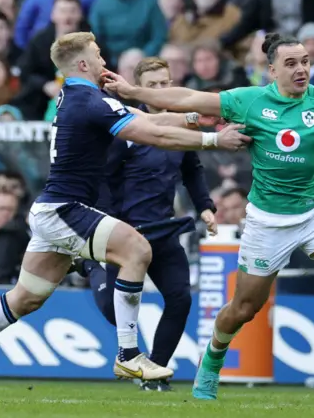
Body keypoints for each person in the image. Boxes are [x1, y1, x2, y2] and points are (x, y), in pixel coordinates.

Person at [103, 32, 314, 400]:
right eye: (291, 64)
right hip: (267, 224)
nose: (301, 69)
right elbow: (186, 98)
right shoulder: (250, 101)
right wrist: (135, 93)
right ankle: (213, 358)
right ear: (272, 69)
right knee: (244, 309)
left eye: (306, 62)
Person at [0, 31, 250, 395]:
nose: (103, 61)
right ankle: (129, 353)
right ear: (83, 64)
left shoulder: (80, 97)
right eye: (97, 56)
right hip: (66, 210)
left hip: (53, 211)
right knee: (137, 250)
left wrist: (196, 118)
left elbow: (150, 120)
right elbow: (151, 133)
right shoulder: (90, 100)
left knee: (26, 297)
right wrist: (213, 141)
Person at [81, 57, 217, 392]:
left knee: (180, 298)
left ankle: (155, 370)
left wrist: (206, 207)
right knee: (115, 313)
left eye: (165, 83)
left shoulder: (182, 127)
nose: (160, 90)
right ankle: (91, 265)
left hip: (161, 229)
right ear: (138, 89)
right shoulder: (126, 127)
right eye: (153, 85)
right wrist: (106, 225)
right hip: (124, 234)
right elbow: (101, 179)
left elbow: (192, 170)